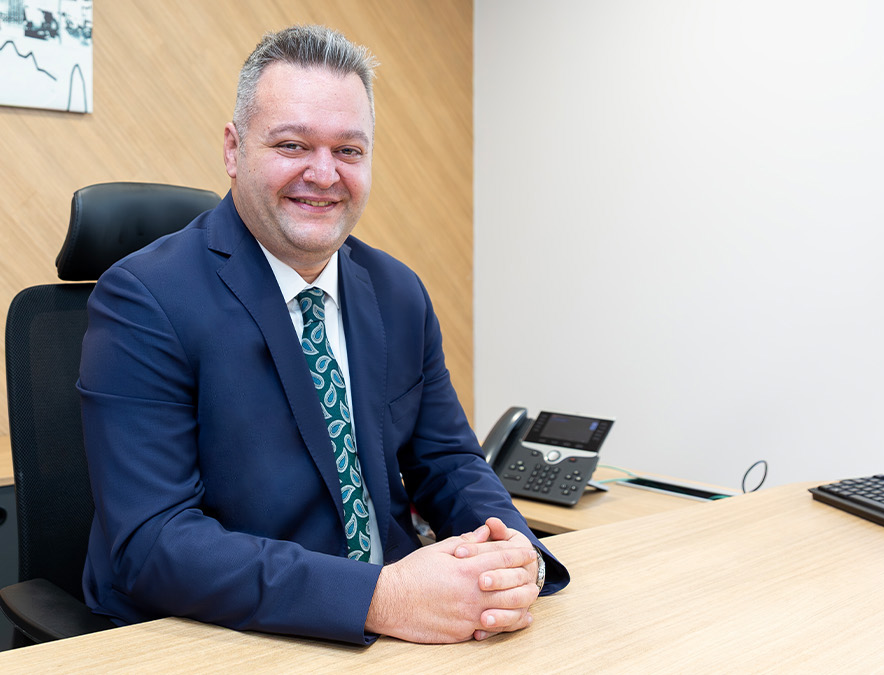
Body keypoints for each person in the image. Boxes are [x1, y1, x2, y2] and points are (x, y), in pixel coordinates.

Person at [78, 25, 569, 646]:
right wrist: (379, 598)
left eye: (349, 150)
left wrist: (513, 553)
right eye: (292, 145)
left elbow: (447, 461)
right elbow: (153, 543)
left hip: (392, 626)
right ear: (233, 149)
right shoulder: (144, 298)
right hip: (221, 633)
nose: (324, 173)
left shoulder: (398, 291)